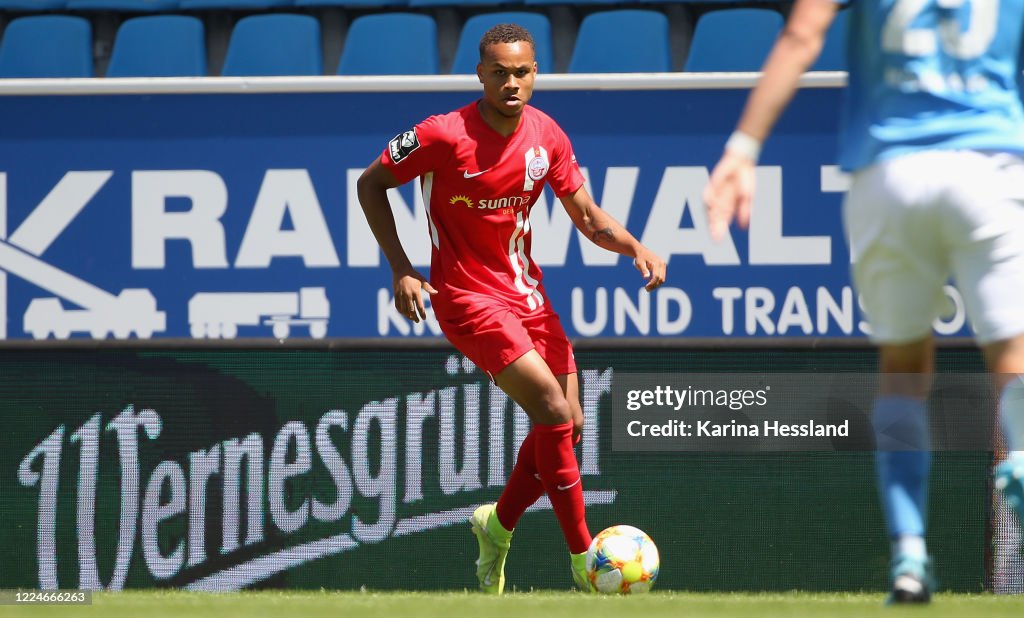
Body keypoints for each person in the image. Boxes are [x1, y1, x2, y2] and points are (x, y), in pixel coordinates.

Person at [704, 0, 1024, 603]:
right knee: (1012, 355)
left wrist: (742, 149)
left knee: (904, 371)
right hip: (993, 165)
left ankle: (909, 554)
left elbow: (802, 35)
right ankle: (1023, 457)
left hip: (892, 172)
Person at [357, 23, 666, 594]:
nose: (511, 82)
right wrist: (401, 267)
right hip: (467, 298)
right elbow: (370, 184)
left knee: (569, 427)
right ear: (480, 75)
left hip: (528, 296)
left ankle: (496, 526)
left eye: (521, 71)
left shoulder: (547, 134)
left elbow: (589, 219)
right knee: (551, 407)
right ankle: (584, 560)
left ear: (535, 74)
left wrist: (637, 248)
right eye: (498, 72)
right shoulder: (440, 135)